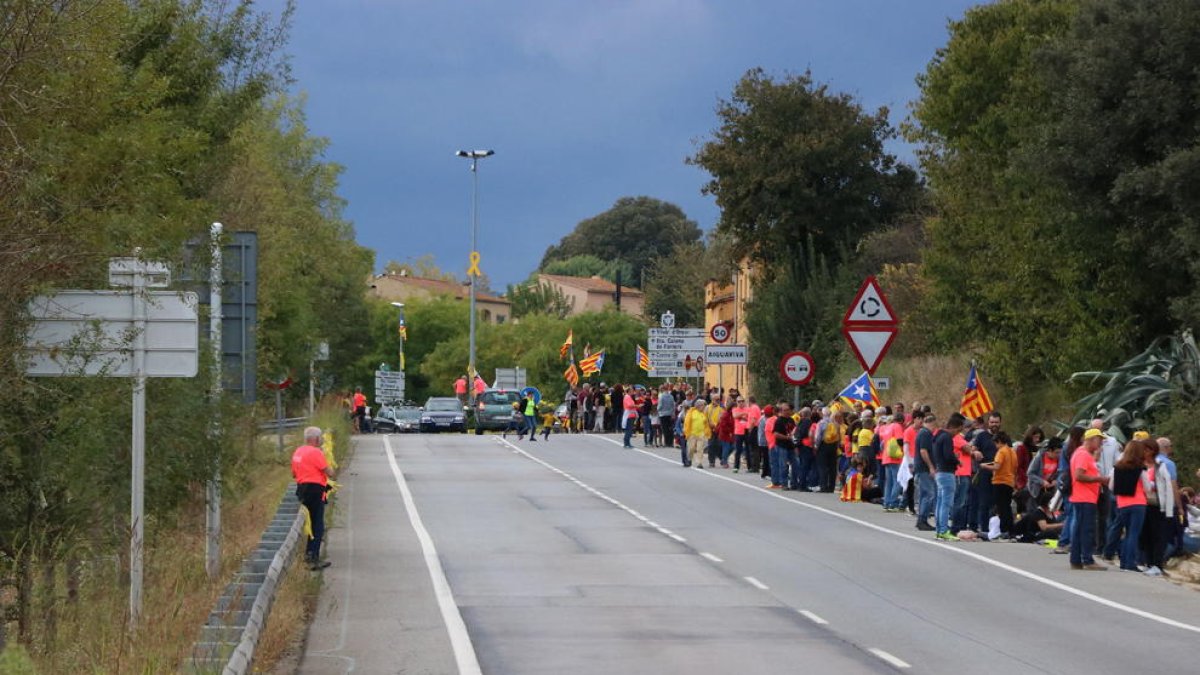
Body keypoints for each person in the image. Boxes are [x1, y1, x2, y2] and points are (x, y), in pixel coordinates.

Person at [292, 427, 335, 570]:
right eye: (320, 437)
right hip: (315, 489)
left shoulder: (298, 452)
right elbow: (329, 472)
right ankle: (313, 557)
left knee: (310, 521)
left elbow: (294, 473)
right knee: (317, 523)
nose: (321, 439)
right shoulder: (316, 452)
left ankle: (308, 553)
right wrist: (330, 468)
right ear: (316, 439)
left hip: (301, 489)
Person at [1107, 441, 1152, 571]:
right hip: (1138, 503)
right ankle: (1130, 563)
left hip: (1122, 504)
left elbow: (1111, 486)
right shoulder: (1141, 469)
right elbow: (1147, 487)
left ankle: (1123, 561)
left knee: (1126, 532)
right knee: (1134, 533)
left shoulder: (1117, 468)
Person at [1069, 428, 1107, 571]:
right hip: (1085, 498)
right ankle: (1087, 559)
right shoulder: (1083, 455)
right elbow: (1079, 475)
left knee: (1080, 529)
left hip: (1084, 497)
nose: (1101, 443)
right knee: (1086, 529)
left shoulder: (1082, 453)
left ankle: (1076, 559)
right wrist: (1099, 479)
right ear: (1090, 440)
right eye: (1099, 440)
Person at [932, 413, 963, 541]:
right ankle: (944, 530)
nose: (957, 434)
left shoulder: (938, 436)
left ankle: (939, 530)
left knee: (940, 503)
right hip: (947, 473)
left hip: (939, 472)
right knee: (946, 504)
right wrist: (957, 460)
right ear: (953, 427)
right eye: (958, 430)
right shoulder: (947, 438)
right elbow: (948, 455)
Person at [982, 431, 1017, 538]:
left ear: (999, 441)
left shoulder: (1001, 451)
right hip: (1010, 481)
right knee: (1007, 507)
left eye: (996, 443)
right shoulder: (1012, 452)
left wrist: (984, 466)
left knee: (1001, 508)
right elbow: (1015, 467)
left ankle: (1003, 529)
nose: (995, 446)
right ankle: (1010, 530)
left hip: (1000, 481)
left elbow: (996, 467)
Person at [914, 413, 938, 531]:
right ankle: (922, 519)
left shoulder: (922, 433)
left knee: (924, 494)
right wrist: (931, 467)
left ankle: (921, 520)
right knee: (929, 494)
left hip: (921, 467)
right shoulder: (925, 433)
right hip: (924, 468)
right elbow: (923, 451)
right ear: (931, 423)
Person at [773, 403, 798, 489]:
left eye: (788, 410)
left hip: (791, 446)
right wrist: (786, 437)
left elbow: (794, 431)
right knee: (783, 465)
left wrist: (795, 444)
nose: (787, 412)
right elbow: (776, 434)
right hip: (782, 446)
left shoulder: (791, 420)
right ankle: (784, 484)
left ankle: (794, 483)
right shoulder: (779, 421)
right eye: (785, 410)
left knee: (796, 464)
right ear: (781, 411)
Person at [684, 400, 710, 468]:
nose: (704, 407)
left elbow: (706, 424)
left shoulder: (703, 414)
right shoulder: (691, 412)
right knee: (691, 448)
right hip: (692, 434)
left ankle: (699, 463)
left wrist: (707, 432)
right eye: (703, 405)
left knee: (700, 449)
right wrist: (686, 432)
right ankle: (689, 459)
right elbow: (686, 423)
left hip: (701, 434)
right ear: (698, 406)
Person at [658, 384, 676, 448]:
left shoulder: (661, 396)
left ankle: (666, 443)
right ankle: (671, 443)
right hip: (670, 414)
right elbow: (673, 405)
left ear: (663, 389)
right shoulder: (671, 396)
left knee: (664, 429)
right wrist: (673, 413)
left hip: (663, 414)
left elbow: (660, 406)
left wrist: (657, 409)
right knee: (670, 429)